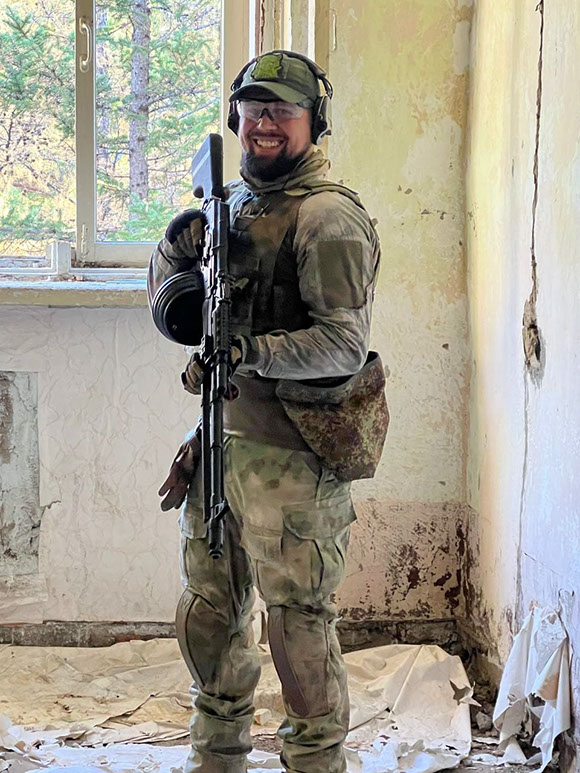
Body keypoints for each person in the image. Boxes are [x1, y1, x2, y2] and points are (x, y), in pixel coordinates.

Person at [148, 50, 382, 773]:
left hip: (293, 459)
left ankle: (314, 762)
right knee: (210, 616)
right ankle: (216, 756)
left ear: (315, 121)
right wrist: (174, 249)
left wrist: (250, 351)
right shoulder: (230, 206)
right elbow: (174, 308)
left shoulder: (328, 218)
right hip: (219, 444)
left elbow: (342, 345)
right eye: (253, 110)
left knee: (297, 631)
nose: (265, 124)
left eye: (283, 110)